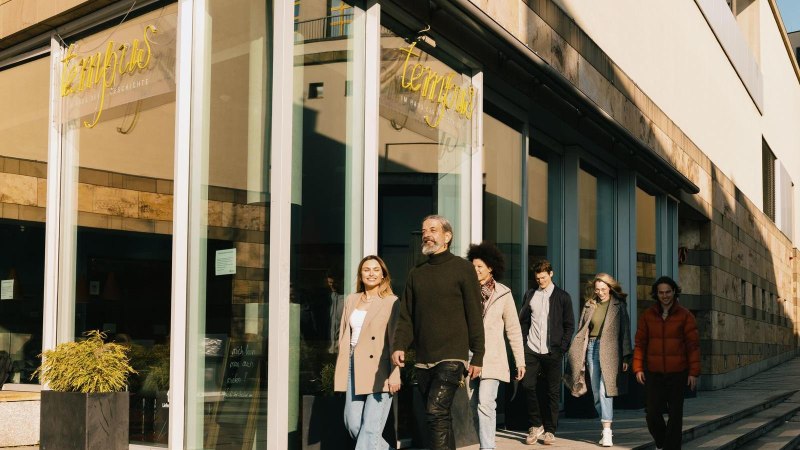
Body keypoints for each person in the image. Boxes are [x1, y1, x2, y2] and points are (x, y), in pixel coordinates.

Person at [392, 215, 485, 450]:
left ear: (447, 236)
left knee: (435, 411)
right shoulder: (417, 273)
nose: (426, 234)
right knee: (439, 416)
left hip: (452, 356)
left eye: (433, 230)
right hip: (424, 359)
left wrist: (479, 354)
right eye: (424, 230)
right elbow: (406, 316)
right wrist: (399, 345)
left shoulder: (463, 269)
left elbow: (474, 313)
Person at [333, 255, 401, 449]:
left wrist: (395, 372)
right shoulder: (351, 299)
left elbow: (395, 340)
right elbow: (344, 335)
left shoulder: (391, 301)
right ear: (360, 275)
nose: (371, 274)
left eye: (376, 270)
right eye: (366, 270)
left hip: (379, 368)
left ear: (383, 275)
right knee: (353, 424)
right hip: (353, 365)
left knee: (370, 430)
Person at [466, 242, 526, 450]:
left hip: (493, 358)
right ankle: (484, 442)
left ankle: (487, 447)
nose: (475, 270)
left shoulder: (503, 293)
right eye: (473, 267)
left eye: (479, 267)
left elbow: (513, 329)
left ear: (490, 267)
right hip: (469, 358)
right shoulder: (466, 291)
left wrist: (520, 360)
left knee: (486, 403)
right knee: (473, 406)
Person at [564, 273, 632, 447]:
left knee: (605, 390)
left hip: (611, 350)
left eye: (603, 289)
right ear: (593, 290)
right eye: (597, 289)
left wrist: (626, 356)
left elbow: (625, 331)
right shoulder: (589, 305)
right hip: (592, 348)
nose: (600, 292)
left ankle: (607, 430)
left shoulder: (618, 305)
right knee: (595, 390)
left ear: (610, 288)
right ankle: (605, 423)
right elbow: (581, 329)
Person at [633, 276, 700, 450]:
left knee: (676, 415)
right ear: (656, 294)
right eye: (661, 292)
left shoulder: (685, 315)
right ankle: (663, 443)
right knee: (652, 413)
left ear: (674, 292)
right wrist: (638, 367)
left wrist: (693, 372)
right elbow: (640, 343)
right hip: (654, 372)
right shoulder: (648, 315)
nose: (665, 296)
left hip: (678, 372)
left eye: (668, 292)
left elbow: (693, 346)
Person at [518, 260, 574, 446]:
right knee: (527, 385)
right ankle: (535, 425)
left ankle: (550, 430)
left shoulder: (563, 297)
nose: (540, 281)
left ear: (551, 274)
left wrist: (562, 348)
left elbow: (569, 325)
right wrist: (524, 341)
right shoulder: (530, 294)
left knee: (552, 392)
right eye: (537, 278)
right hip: (532, 349)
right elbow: (524, 321)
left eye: (543, 277)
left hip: (553, 351)